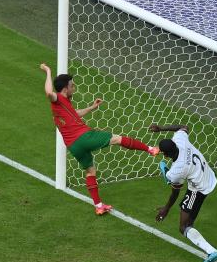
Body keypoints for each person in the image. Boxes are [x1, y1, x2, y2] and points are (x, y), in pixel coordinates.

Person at [40, 63, 159, 215]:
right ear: (65, 88)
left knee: (90, 171)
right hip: (84, 137)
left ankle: (99, 206)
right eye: (72, 86)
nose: (74, 88)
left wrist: (91, 107)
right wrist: (48, 71)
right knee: (117, 139)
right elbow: (49, 92)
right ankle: (151, 149)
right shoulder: (57, 99)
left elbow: (75, 114)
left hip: (73, 146)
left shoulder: (63, 105)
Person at [151, 123, 217, 262]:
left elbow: (175, 191)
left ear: (165, 154)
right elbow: (183, 127)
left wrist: (166, 209)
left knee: (183, 227)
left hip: (199, 188)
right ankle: (193, 230)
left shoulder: (177, 170)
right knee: (189, 221)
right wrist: (160, 128)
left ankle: (212, 251)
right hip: (209, 175)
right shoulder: (180, 140)